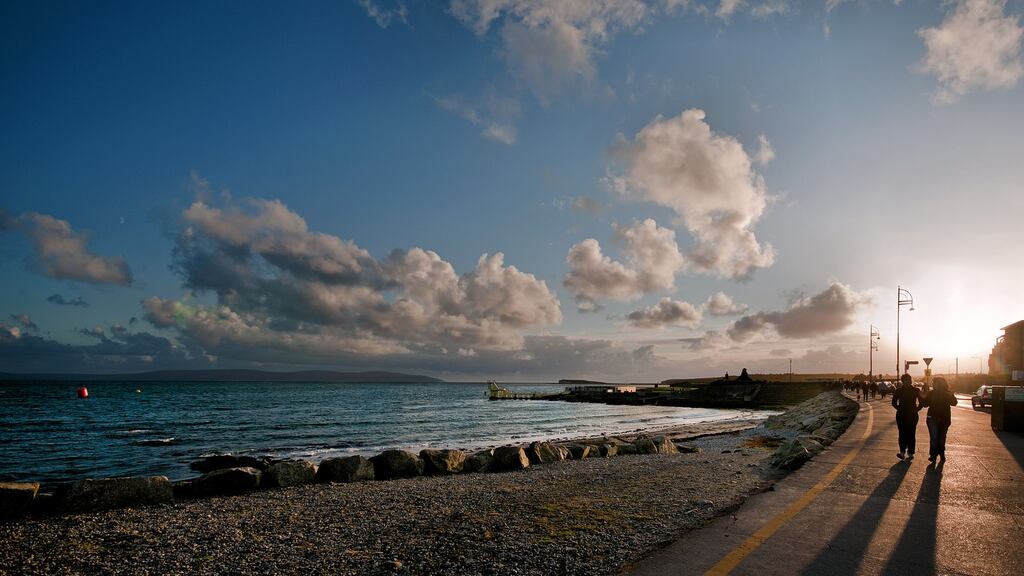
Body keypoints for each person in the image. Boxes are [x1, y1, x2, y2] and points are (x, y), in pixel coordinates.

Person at [921, 376, 957, 462]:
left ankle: (941, 453)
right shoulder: (931, 393)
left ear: (940, 384)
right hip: (932, 418)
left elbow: (954, 403)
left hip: (944, 419)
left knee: (941, 438)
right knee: (934, 437)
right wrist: (923, 397)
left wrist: (952, 396)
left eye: (934, 383)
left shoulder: (947, 393)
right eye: (933, 383)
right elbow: (925, 405)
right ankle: (933, 455)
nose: (933, 384)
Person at [891, 374, 923, 460]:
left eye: (908, 380)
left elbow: (921, 403)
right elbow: (893, 403)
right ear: (902, 381)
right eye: (905, 380)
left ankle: (910, 452)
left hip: (912, 416)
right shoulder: (898, 391)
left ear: (911, 380)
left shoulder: (916, 390)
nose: (907, 382)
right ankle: (902, 452)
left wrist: (916, 410)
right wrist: (900, 409)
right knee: (902, 433)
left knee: (911, 434)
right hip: (901, 415)